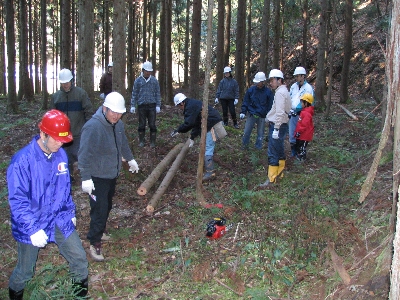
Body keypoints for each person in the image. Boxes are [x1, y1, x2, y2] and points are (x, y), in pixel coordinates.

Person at [7, 110, 89, 299]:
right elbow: (18, 201)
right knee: (25, 271)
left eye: (63, 140)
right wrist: (32, 228)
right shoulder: (22, 161)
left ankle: (79, 296)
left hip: (58, 217)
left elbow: (64, 188)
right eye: (56, 139)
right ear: (43, 134)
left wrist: (70, 212)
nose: (60, 144)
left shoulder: (60, 155)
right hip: (32, 221)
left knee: (79, 259)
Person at [78, 92, 139, 262]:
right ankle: (94, 240)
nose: (116, 116)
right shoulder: (93, 127)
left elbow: (123, 143)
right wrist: (85, 177)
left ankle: (101, 230)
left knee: (107, 205)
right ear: (104, 108)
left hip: (111, 173)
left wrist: (131, 159)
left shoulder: (117, 124)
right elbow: (83, 155)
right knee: (99, 209)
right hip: (97, 176)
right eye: (113, 112)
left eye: (119, 113)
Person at [50, 68, 93, 182]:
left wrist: (87, 128)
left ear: (71, 81)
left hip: (78, 131)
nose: (65, 85)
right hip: (62, 134)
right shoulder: (56, 97)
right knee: (64, 156)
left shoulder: (81, 94)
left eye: (67, 82)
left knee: (79, 155)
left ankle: (84, 177)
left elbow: (88, 111)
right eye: (63, 83)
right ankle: (68, 178)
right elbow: (52, 115)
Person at [171, 93, 223, 180]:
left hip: (212, 125)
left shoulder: (190, 107)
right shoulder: (191, 104)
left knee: (208, 147)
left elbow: (189, 123)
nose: (179, 108)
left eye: (179, 106)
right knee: (206, 147)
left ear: (181, 103)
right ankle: (205, 166)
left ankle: (210, 172)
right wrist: (192, 137)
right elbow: (197, 123)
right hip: (209, 124)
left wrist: (179, 130)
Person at [260, 69, 291, 187]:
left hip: (278, 125)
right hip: (282, 124)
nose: (271, 83)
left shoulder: (280, 93)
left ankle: (271, 178)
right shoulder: (283, 91)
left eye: (272, 80)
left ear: (279, 80)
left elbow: (280, 112)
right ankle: (280, 173)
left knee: (273, 151)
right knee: (279, 148)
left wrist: (276, 128)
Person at [130, 61, 161, 148]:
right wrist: (133, 105)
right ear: (143, 70)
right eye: (146, 71)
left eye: (149, 71)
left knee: (152, 124)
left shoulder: (154, 81)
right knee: (141, 124)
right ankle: (141, 141)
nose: (148, 73)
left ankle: (152, 142)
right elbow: (134, 93)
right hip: (141, 106)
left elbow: (158, 93)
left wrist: (158, 105)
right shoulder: (138, 81)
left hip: (152, 106)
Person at [239, 71, 274, 150]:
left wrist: (269, 115)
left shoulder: (268, 92)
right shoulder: (251, 90)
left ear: (263, 82)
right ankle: (244, 146)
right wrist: (243, 111)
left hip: (262, 116)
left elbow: (270, 105)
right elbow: (246, 101)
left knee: (260, 134)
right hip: (251, 114)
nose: (257, 84)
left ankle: (258, 148)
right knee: (247, 132)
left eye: (259, 82)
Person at [289, 67, 314, 157]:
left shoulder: (308, 88)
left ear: (303, 76)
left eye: (298, 76)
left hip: (301, 113)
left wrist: (298, 110)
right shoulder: (293, 86)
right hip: (292, 112)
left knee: (301, 132)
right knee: (292, 132)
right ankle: (293, 150)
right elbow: (289, 97)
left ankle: (300, 151)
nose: (296, 78)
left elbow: (307, 102)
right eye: (296, 76)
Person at [293, 93, 315, 161]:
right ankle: (299, 157)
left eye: (302, 102)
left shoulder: (307, 113)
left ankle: (302, 159)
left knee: (302, 147)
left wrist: (299, 132)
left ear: (306, 103)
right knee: (298, 146)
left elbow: (304, 125)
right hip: (302, 134)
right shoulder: (304, 111)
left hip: (305, 135)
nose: (301, 103)